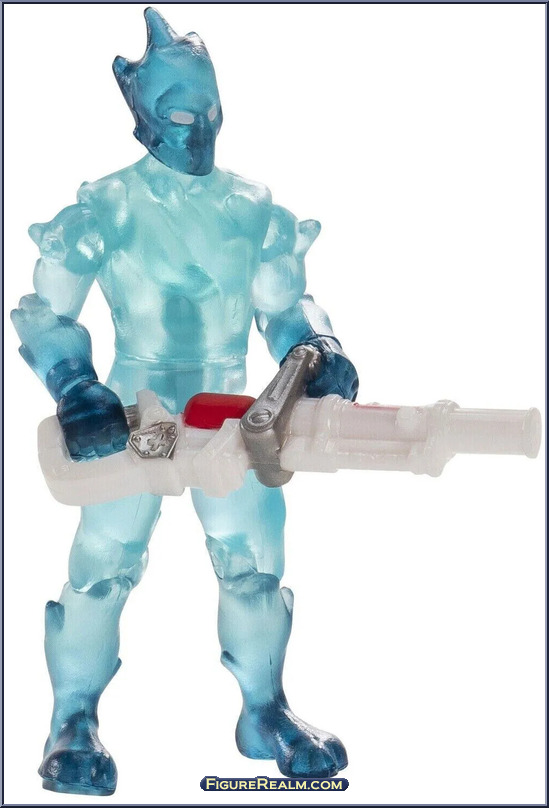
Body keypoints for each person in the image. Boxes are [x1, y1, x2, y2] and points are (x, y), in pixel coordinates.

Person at [12, 8, 358, 796]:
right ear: (141, 117)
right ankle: (72, 719)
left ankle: (264, 708)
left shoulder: (250, 207)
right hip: (132, 412)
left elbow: (283, 306)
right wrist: (75, 384)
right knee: (103, 567)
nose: (195, 132)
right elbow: (44, 313)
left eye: (207, 113)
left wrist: (317, 348)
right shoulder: (108, 206)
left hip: (231, 411)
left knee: (254, 568)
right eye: (176, 116)